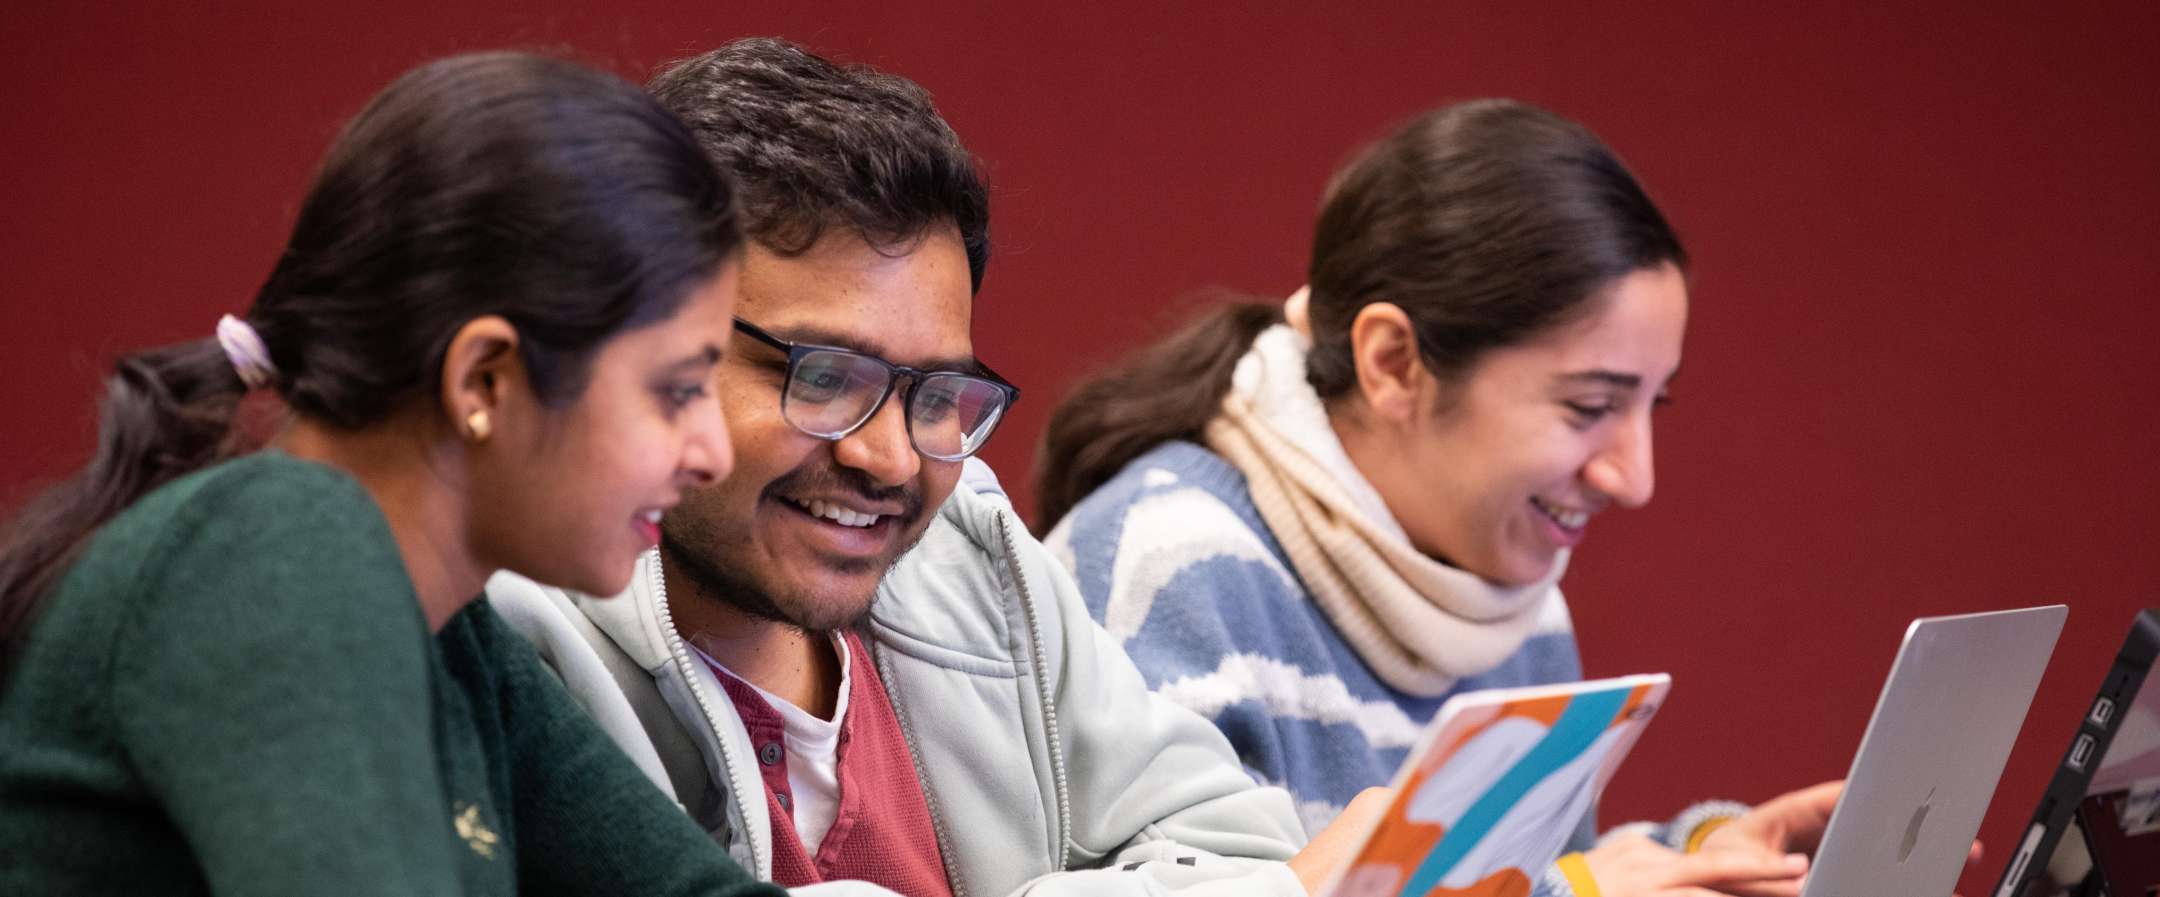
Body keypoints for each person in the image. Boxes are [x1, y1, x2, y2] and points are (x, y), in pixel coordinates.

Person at [0, 52, 792, 897]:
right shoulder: (277, 551)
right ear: (486, 376)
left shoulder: (449, 631)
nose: (709, 451)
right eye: (675, 389)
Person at [486, 37, 1395, 897]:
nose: (887, 457)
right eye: (825, 377)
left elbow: (1242, 846)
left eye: (934, 396)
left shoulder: (970, 550)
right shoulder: (512, 630)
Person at [1034, 99, 1858, 897]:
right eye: (1589, 406)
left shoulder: (1514, 593)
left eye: (1654, 403)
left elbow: (1525, 877)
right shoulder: (1165, 563)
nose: (1634, 478)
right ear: (1392, 362)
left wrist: (1707, 859)